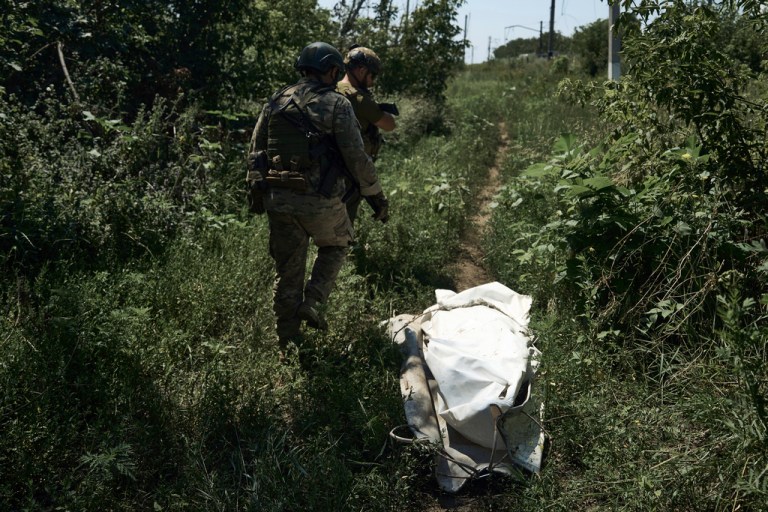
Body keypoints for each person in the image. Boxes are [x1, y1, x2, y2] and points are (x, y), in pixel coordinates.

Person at [247, 42, 389, 357]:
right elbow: (357, 157)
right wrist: (376, 197)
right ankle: (313, 302)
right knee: (337, 244)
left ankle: (287, 345)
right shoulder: (337, 104)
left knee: (287, 272)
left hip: (279, 199)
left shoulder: (275, 101)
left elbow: (256, 151)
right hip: (321, 201)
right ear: (331, 70)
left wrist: (256, 192)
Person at [336, 46, 397, 222]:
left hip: (324, 169)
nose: (373, 82)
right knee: (343, 227)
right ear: (361, 70)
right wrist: (378, 109)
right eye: (372, 75)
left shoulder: (331, 89)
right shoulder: (357, 98)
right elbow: (389, 125)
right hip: (350, 172)